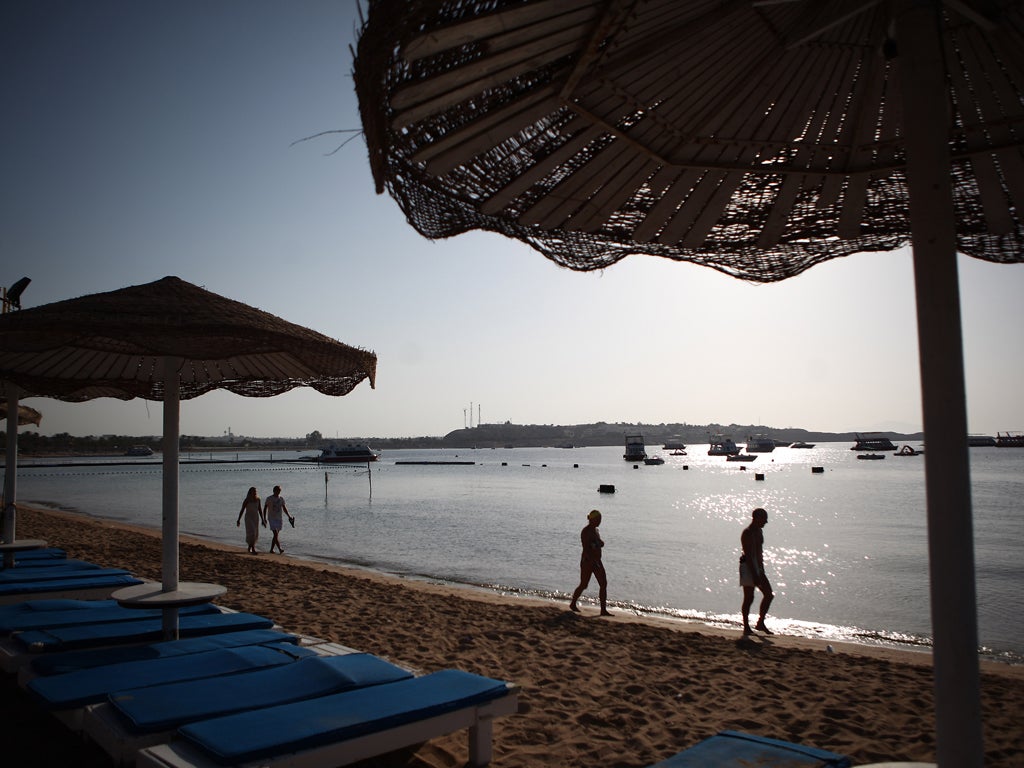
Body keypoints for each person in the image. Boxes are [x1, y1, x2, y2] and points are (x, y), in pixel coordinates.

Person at [569, 509, 611, 616]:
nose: (600, 521)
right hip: (588, 561)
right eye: (598, 519)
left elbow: (597, 543)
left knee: (603, 583)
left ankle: (603, 610)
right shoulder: (586, 531)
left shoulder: (596, 530)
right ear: (593, 519)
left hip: (597, 560)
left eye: (600, 519)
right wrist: (597, 544)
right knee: (584, 584)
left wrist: (600, 543)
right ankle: (573, 603)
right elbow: (587, 546)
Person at [740, 507, 774, 634]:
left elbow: (759, 553)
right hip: (748, 567)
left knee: (769, 594)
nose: (766, 522)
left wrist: (761, 569)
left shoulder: (759, 531)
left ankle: (760, 622)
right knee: (749, 597)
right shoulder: (747, 533)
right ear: (756, 518)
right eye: (764, 519)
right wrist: (754, 574)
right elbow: (748, 556)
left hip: (758, 567)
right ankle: (746, 627)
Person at [263, 485, 294, 554]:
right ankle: (280, 549)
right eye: (277, 490)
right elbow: (265, 508)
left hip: (279, 518)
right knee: (275, 534)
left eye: (280, 490)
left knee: (275, 535)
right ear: (274, 491)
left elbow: (284, 508)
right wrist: (264, 518)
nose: (279, 492)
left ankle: (271, 549)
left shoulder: (281, 499)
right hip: (271, 518)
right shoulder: (269, 498)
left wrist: (289, 516)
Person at [236, 487, 264, 554]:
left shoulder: (258, 499)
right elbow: (242, 510)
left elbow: (260, 510)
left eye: (256, 491)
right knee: (252, 532)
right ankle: (253, 549)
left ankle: (250, 547)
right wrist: (238, 520)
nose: (255, 492)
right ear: (250, 492)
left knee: (255, 533)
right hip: (248, 517)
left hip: (255, 518)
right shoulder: (247, 500)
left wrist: (263, 519)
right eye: (253, 491)